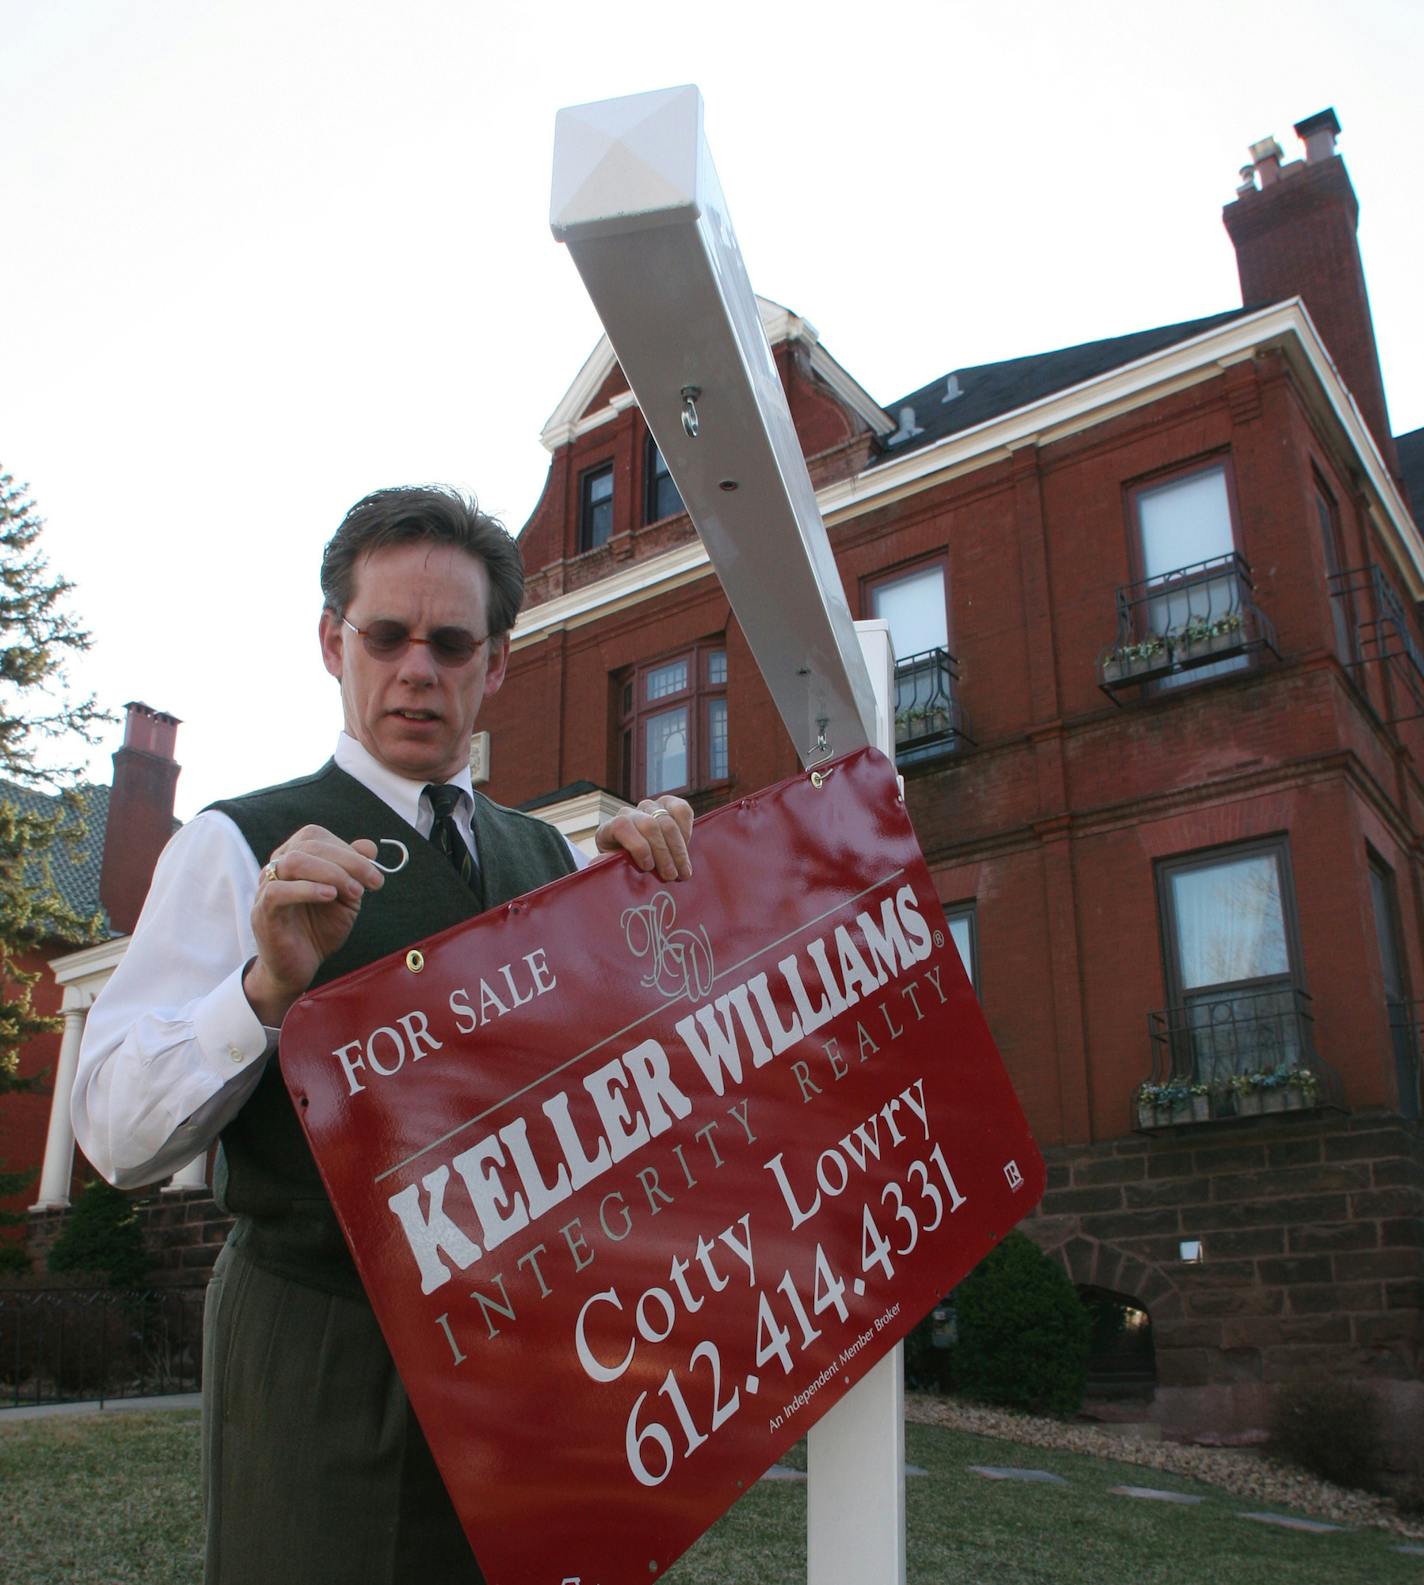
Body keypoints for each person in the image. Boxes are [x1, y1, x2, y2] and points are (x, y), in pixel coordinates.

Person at [71, 485, 694, 1584]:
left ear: (494, 663)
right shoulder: (236, 844)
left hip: (523, 1356)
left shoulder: (546, 862)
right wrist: (263, 989)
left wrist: (657, 920)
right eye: (387, 636)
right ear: (331, 641)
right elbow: (115, 1135)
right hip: (323, 1350)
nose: (418, 668)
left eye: (451, 642)